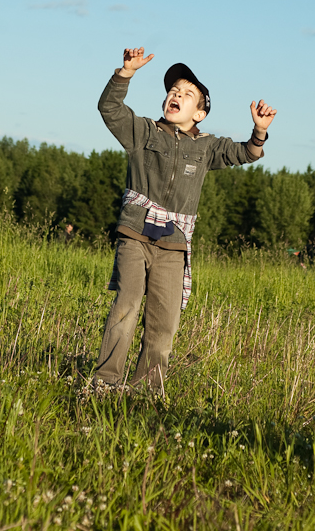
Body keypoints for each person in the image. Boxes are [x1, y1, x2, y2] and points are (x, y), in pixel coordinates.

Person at [94, 47, 277, 390]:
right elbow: (110, 109)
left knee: (164, 324)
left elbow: (245, 153)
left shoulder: (207, 147)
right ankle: (105, 382)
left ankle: (146, 392)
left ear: (201, 112)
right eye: (173, 91)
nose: (176, 95)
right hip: (135, 234)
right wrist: (125, 74)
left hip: (174, 244)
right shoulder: (144, 132)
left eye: (187, 93)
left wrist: (259, 131)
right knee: (127, 306)